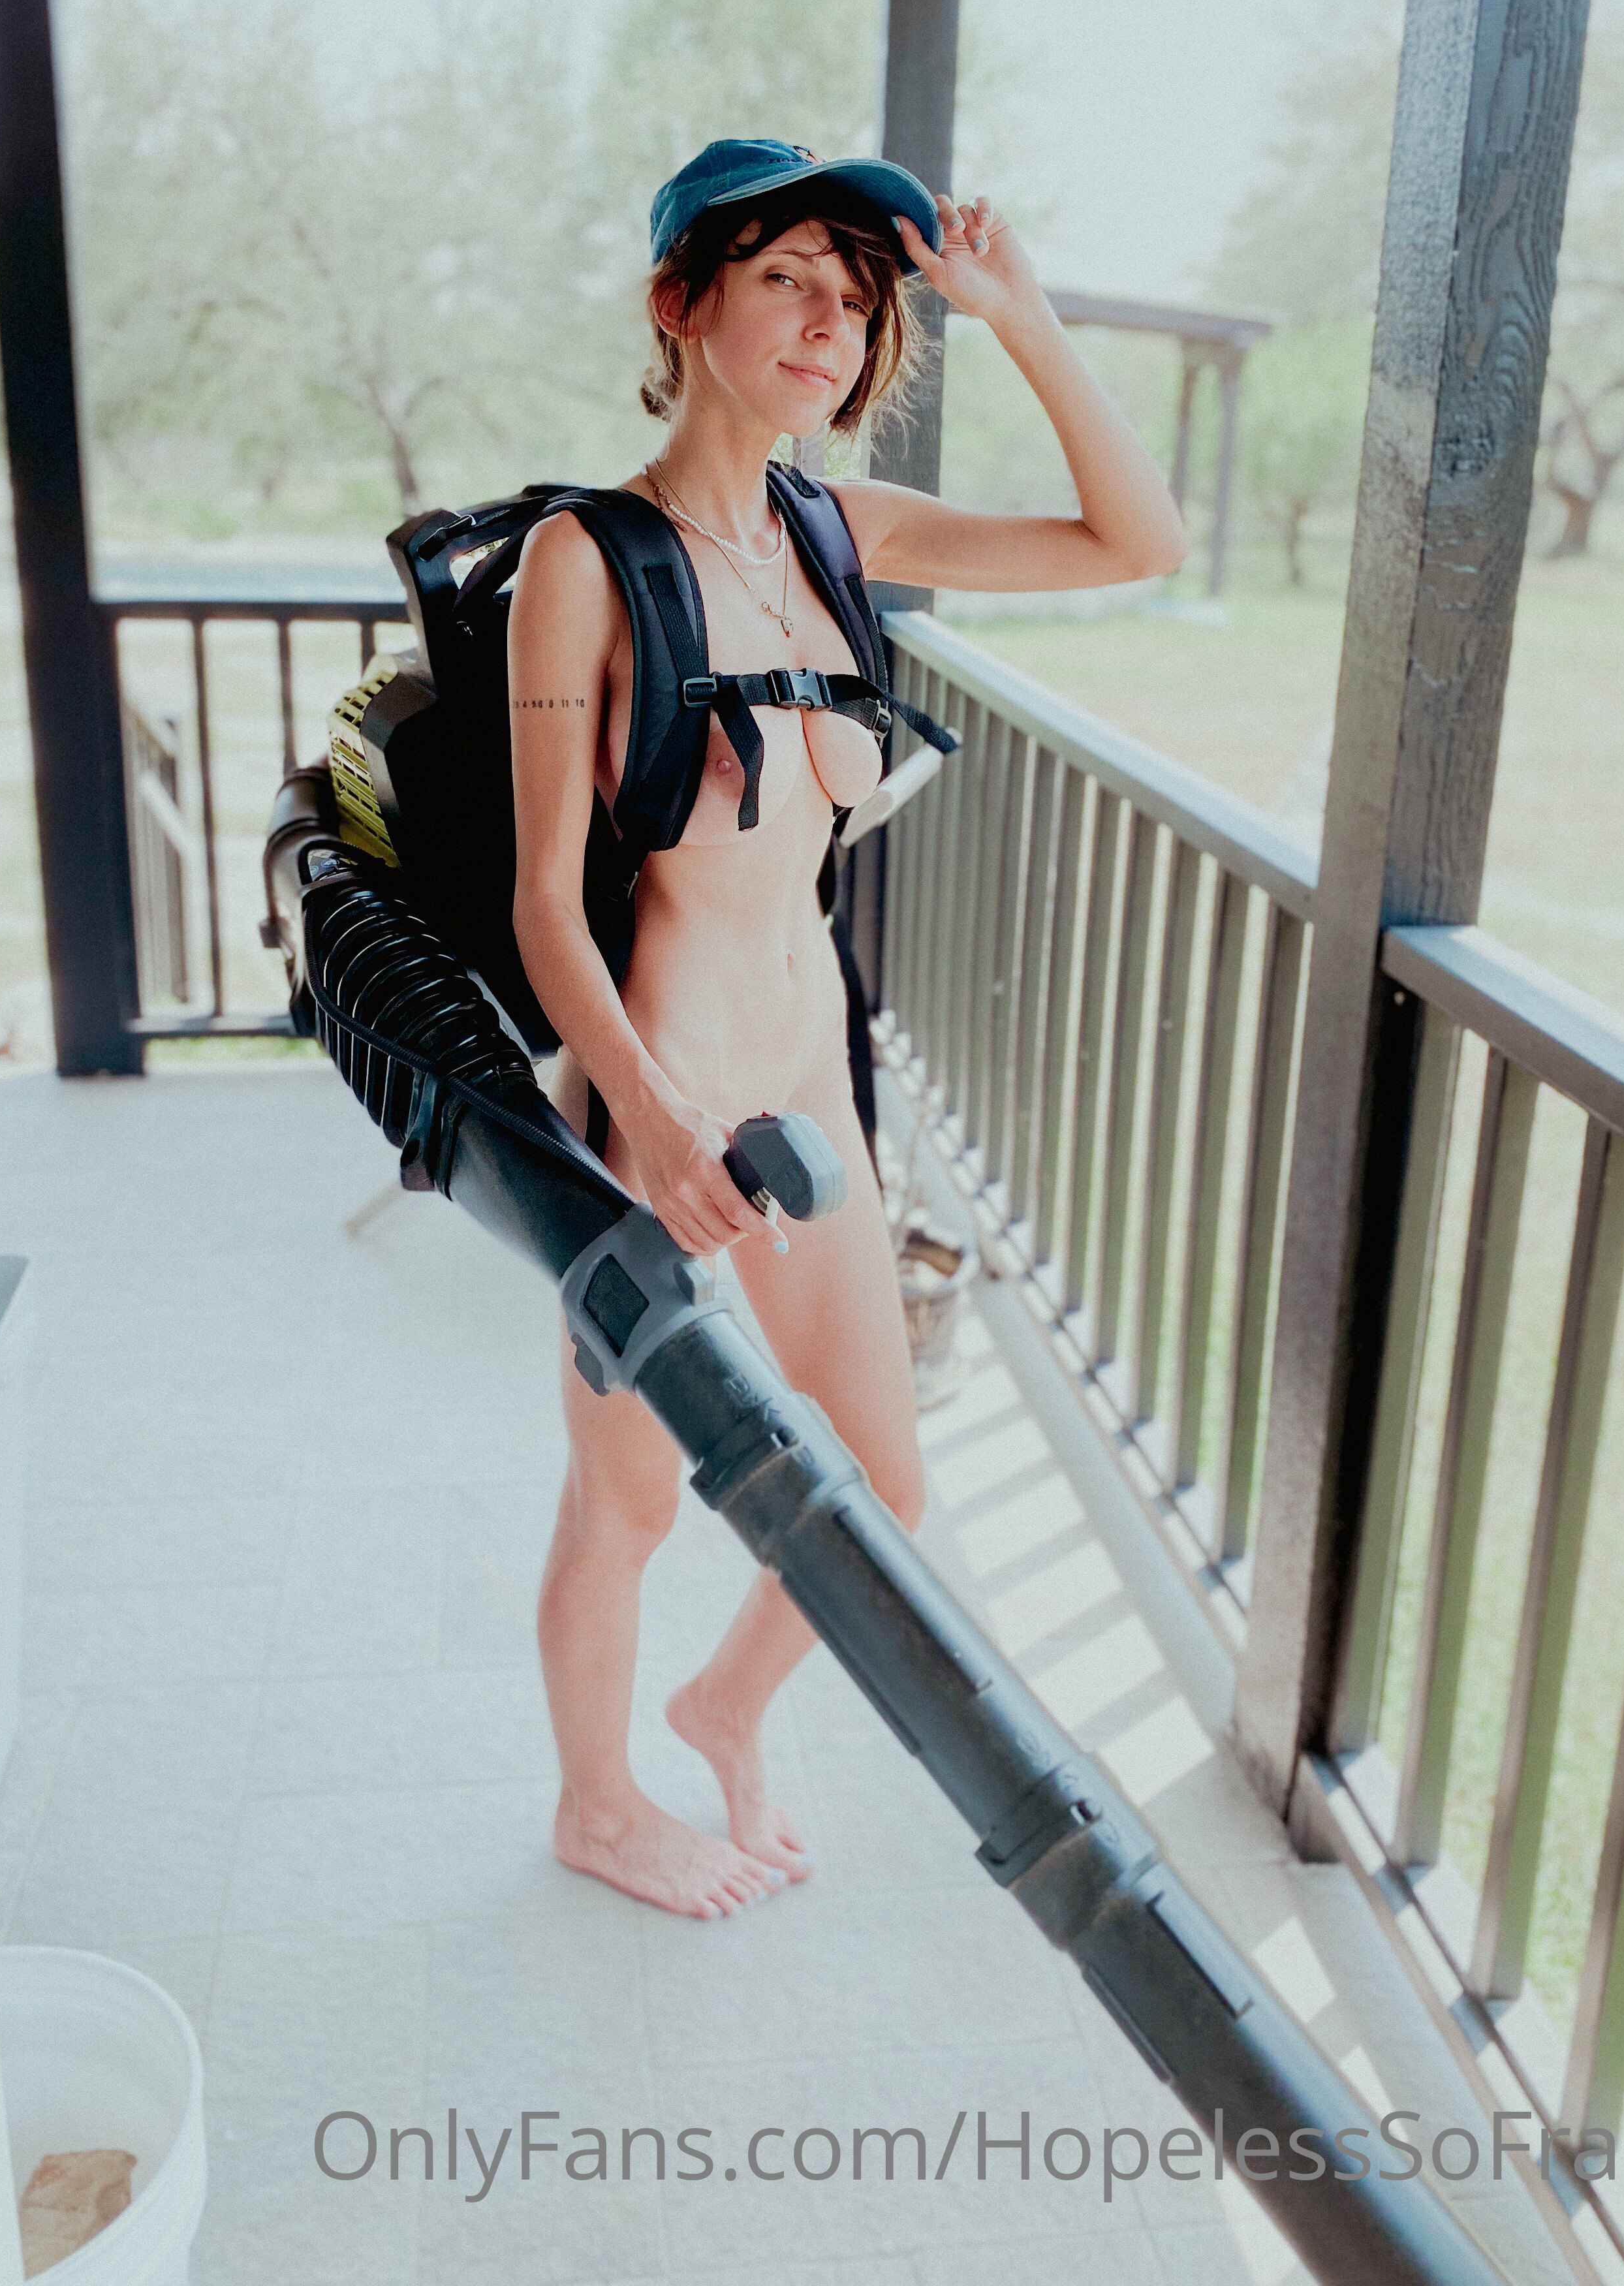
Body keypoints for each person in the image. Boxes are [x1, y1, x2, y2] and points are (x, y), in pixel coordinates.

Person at [508, 138, 1187, 1920]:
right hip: (656, 1095)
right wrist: (651, 1116)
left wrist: (1020, 315)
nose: (833, 322)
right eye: (789, 279)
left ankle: (724, 1705)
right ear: (684, 302)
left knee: (878, 1478)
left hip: (813, 1074)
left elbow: (1140, 540)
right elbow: (542, 900)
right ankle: (596, 1804)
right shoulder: (588, 560)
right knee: (630, 1505)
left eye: (861, 298)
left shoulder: (842, 532)